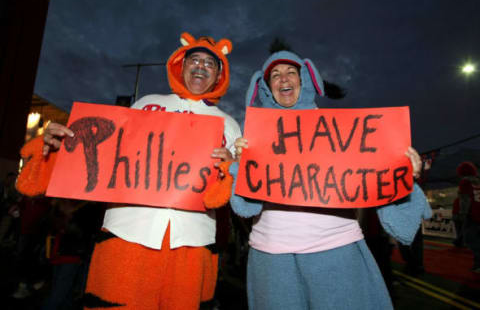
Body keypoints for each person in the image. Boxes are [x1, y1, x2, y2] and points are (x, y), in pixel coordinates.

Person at [41, 32, 241, 309]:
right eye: (194, 59)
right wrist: (64, 147)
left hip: (194, 240)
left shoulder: (230, 125)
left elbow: (238, 190)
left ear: (219, 75)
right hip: (127, 232)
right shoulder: (145, 104)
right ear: (180, 65)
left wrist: (231, 165)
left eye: (210, 63)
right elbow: (106, 156)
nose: (200, 67)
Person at [229, 45, 431, 310]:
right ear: (266, 87)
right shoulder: (253, 135)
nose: (284, 79)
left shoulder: (339, 130)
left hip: (336, 248)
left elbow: (373, 174)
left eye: (291, 72)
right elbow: (245, 206)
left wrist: (404, 172)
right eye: (275, 75)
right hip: (270, 255)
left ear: (305, 81)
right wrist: (241, 165)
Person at [456, 161, 480, 272]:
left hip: (472, 215)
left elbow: (465, 200)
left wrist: (462, 214)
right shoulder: (478, 181)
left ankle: (478, 263)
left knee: (470, 240)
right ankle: (477, 264)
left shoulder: (464, 182)